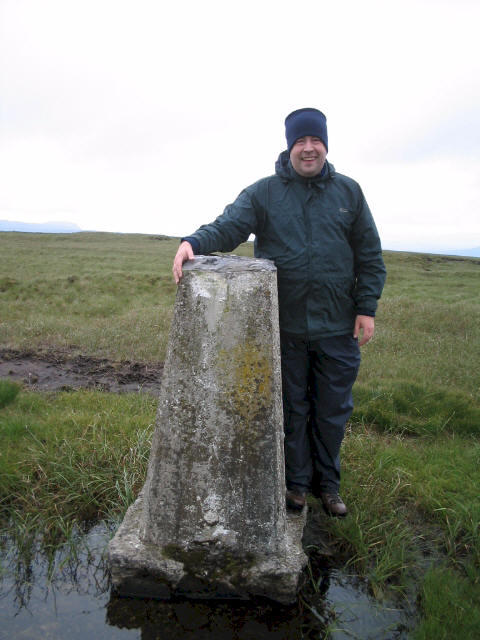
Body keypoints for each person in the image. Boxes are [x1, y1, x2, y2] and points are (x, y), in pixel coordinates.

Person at [173, 108, 386, 517]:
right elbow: (230, 226)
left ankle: (330, 485)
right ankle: (297, 484)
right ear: (290, 147)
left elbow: (370, 255)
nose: (309, 149)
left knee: (332, 409)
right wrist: (192, 243)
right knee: (292, 408)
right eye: (300, 142)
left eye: (315, 142)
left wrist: (366, 309)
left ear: (325, 145)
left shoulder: (349, 193)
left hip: (336, 326)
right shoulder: (265, 193)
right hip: (282, 328)